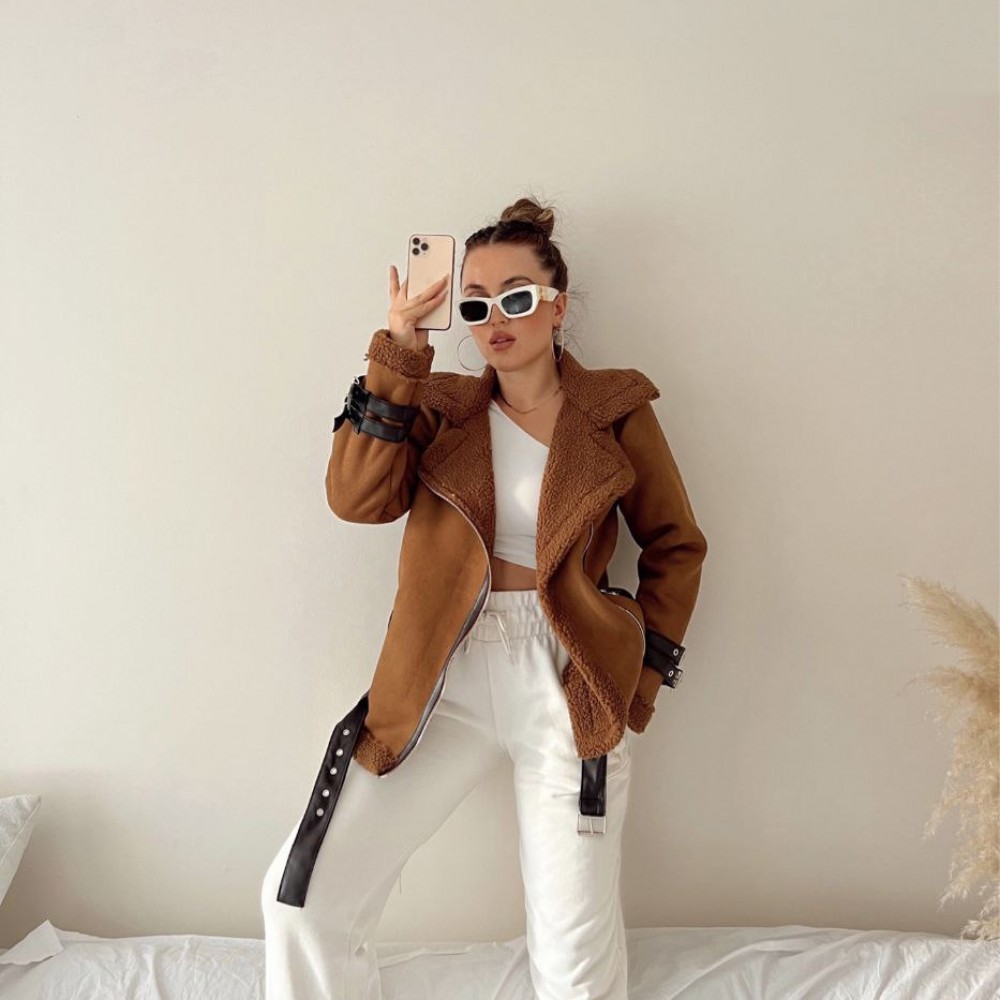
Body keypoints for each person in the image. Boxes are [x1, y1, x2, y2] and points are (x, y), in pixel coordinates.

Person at [260, 196, 709, 999]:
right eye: (476, 304)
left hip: (569, 676)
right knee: (302, 899)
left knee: (573, 964)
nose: (495, 319)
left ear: (557, 306)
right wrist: (401, 353)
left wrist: (637, 685)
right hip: (441, 674)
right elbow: (355, 498)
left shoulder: (615, 410)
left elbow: (676, 546)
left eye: (516, 297)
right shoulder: (440, 409)